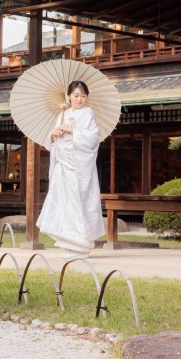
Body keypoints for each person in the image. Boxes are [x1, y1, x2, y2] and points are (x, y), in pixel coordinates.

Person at [37, 80, 105, 260]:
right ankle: (68, 242)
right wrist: (55, 134)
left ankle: (81, 245)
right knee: (62, 203)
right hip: (63, 164)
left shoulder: (88, 113)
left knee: (78, 202)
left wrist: (70, 129)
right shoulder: (63, 113)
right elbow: (52, 140)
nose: (79, 99)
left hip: (79, 168)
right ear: (69, 96)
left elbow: (94, 138)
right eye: (76, 95)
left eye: (83, 96)